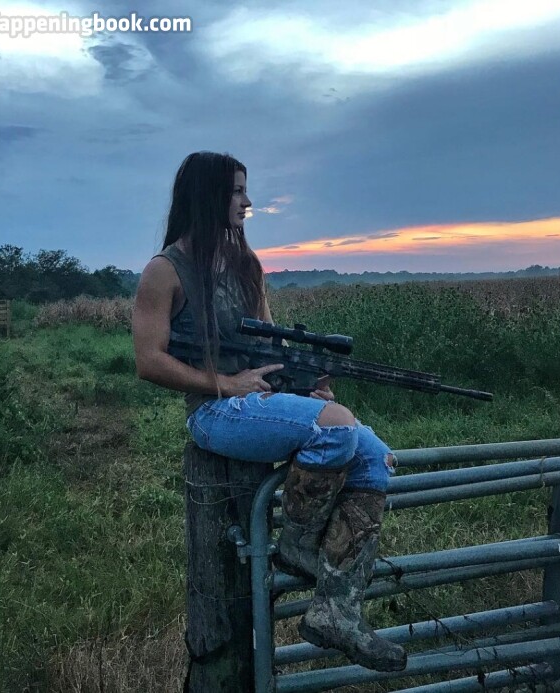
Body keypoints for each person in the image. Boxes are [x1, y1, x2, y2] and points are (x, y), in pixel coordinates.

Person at [132, 151, 407, 672]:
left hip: (257, 399)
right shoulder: (164, 271)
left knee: (374, 457)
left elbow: (270, 350)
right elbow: (149, 360)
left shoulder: (246, 266)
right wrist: (225, 384)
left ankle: (337, 612)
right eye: (237, 191)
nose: (247, 201)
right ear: (209, 195)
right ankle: (296, 546)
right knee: (337, 431)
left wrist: (310, 385)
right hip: (214, 413)